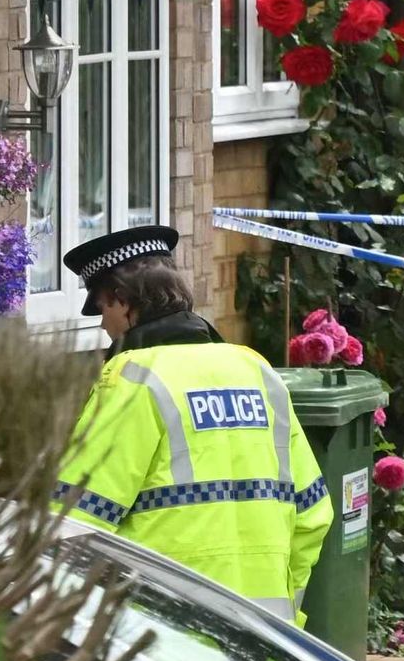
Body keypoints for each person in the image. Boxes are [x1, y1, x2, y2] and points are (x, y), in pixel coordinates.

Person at [48, 223, 332, 617]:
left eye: (103, 308)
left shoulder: (132, 378)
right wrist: (285, 609)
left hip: (166, 637)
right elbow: (313, 514)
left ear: (125, 301)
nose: (102, 325)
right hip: (266, 640)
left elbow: (76, 517)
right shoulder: (256, 371)